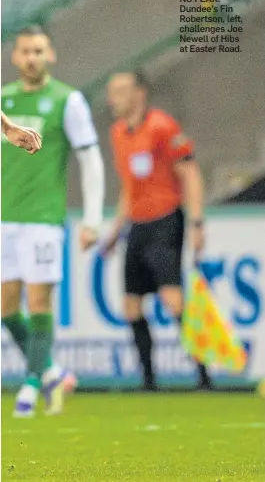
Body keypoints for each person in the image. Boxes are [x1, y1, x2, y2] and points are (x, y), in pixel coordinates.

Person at [1, 26, 105, 416]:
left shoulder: (68, 101)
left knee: (39, 298)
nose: (32, 58)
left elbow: (90, 158)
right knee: (6, 309)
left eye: (38, 51)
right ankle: (50, 371)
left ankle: (29, 386)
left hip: (43, 218)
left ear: (51, 55)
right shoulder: (4, 102)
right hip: (4, 216)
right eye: (25, 51)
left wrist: (92, 219)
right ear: (15, 57)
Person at [104, 70, 212, 391]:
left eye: (120, 90)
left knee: (172, 299)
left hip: (166, 220)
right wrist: (114, 231)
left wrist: (196, 221)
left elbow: (190, 174)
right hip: (137, 224)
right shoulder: (118, 133)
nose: (113, 98)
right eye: (111, 92)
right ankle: (148, 381)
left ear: (140, 93)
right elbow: (129, 187)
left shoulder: (163, 126)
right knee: (131, 304)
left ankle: (204, 377)